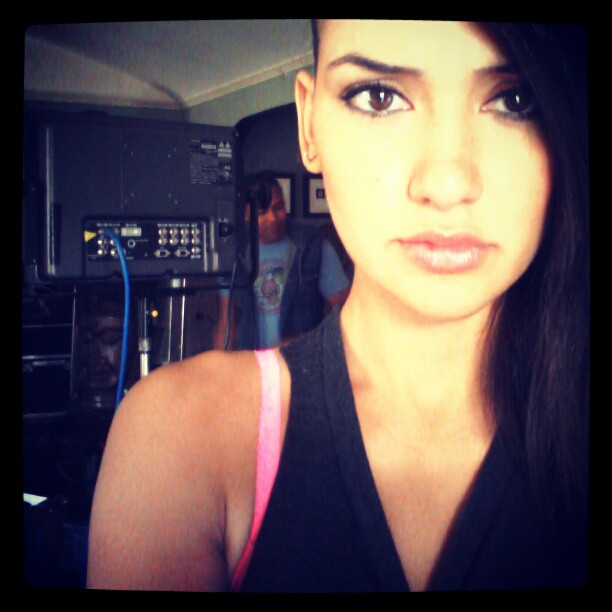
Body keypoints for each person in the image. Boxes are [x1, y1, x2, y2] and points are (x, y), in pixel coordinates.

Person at [87, 20, 589, 591]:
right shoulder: (181, 436)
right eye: (379, 97)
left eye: (515, 100)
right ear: (309, 127)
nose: (447, 183)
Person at [214, 171, 350, 350]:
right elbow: (227, 324)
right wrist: (221, 366)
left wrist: (312, 342)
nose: (272, 218)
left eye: (278, 207)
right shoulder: (233, 254)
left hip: (302, 360)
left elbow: (347, 310)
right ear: (246, 214)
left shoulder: (314, 248)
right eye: (262, 212)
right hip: (251, 361)